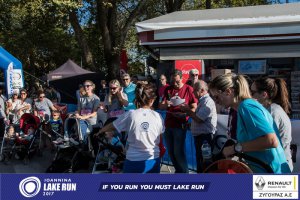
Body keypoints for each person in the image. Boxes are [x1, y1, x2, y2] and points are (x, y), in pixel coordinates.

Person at [209, 73, 290, 173]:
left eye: (216, 97)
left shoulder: (246, 107)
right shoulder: (244, 108)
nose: (215, 101)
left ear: (228, 92)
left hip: (272, 175)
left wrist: (235, 148)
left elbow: (271, 141)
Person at [97, 82, 165, 173]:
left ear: (137, 99)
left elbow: (112, 125)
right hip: (153, 159)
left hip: (133, 160)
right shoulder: (158, 116)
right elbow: (160, 140)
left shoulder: (130, 114)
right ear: (152, 100)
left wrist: (100, 131)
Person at [159, 69, 198, 173]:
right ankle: (178, 172)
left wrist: (185, 114)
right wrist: (165, 104)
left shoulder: (188, 89)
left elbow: (194, 106)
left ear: (182, 78)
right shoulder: (168, 89)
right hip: (168, 123)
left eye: (177, 81)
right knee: (171, 152)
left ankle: (184, 174)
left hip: (180, 124)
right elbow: (161, 106)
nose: (175, 84)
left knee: (178, 151)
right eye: (173, 81)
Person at [251, 77, 293, 171]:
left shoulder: (273, 111)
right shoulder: (271, 109)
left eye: (253, 92)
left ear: (264, 94)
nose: (250, 95)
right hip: (277, 163)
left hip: (278, 166)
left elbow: (268, 141)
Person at [180, 80, 217, 173]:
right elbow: (199, 119)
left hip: (205, 138)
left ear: (202, 90)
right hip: (201, 137)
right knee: (201, 163)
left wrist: (188, 110)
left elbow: (199, 119)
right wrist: (189, 124)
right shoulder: (202, 101)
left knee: (205, 164)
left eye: (195, 90)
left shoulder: (207, 102)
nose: (193, 92)